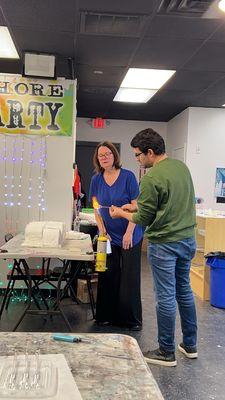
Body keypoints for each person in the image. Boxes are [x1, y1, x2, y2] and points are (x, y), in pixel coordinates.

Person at [110, 128, 197, 366]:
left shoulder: (151, 177)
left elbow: (144, 219)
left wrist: (119, 213)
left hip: (165, 244)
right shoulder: (181, 167)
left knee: (166, 296)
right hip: (187, 240)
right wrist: (134, 207)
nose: (137, 159)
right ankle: (190, 345)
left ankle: (166, 351)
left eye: (138, 155)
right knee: (184, 291)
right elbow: (166, 205)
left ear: (150, 152)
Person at [89, 141, 144, 330]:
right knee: (108, 274)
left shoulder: (128, 177)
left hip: (131, 233)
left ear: (114, 156)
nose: (103, 157)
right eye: (100, 155)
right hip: (109, 236)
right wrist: (102, 230)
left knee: (129, 277)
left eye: (107, 154)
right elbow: (96, 207)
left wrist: (129, 232)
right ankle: (105, 316)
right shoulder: (96, 179)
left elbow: (136, 207)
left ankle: (130, 320)